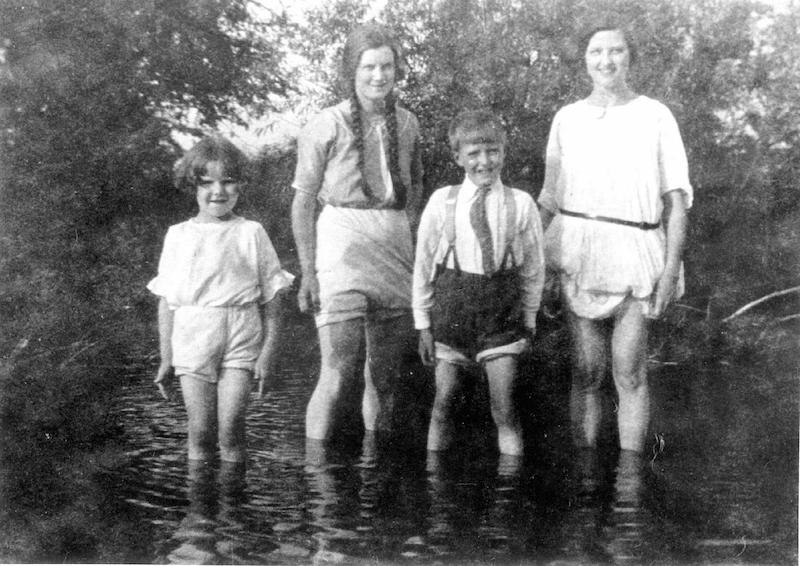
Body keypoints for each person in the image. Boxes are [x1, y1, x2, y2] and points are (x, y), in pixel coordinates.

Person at [538, 25, 691, 458]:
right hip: (578, 251)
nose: (606, 60)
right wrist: (532, 261)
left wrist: (668, 273)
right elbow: (549, 198)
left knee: (630, 374)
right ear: (584, 59)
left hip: (636, 252)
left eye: (616, 50)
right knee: (586, 372)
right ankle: (584, 484)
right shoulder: (567, 118)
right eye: (596, 51)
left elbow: (676, 204)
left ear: (630, 57)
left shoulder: (655, 115)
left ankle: (629, 488)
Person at [291, 23, 424, 440]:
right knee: (339, 370)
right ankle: (317, 478)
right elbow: (303, 201)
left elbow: (415, 181)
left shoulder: (408, 122)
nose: (378, 76)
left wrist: (407, 228)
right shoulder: (325, 124)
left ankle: (374, 468)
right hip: (341, 243)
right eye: (369, 67)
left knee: (385, 377)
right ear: (352, 69)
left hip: (392, 241)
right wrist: (309, 272)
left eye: (387, 66)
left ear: (396, 70)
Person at [148, 136, 294, 465]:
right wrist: (166, 358)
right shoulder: (178, 235)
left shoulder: (252, 232)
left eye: (228, 182)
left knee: (232, 428)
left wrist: (268, 353)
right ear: (192, 186)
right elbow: (167, 302)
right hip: (193, 332)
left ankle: (232, 510)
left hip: (242, 331)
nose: (218, 191)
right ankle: (200, 510)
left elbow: (273, 299)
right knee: (200, 430)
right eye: (207, 183)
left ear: (240, 185)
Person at [413, 109, 545, 457]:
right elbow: (423, 266)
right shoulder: (442, 201)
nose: (484, 161)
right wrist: (423, 324)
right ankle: (435, 490)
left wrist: (530, 320)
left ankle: (509, 496)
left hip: (501, 315)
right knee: (443, 404)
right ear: (458, 157)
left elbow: (533, 269)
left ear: (503, 152)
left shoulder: (521, 204)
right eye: (473, 154)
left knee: (504, 408)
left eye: (492, 151)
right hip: (451, 312)